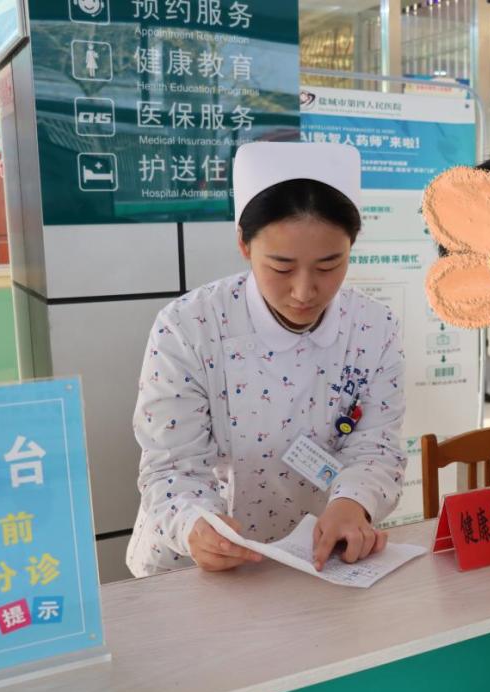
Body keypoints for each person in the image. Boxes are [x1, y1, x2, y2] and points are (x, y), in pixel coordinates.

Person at [126, 141, 407, 578]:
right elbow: (170, 466)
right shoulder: (188, 327)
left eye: (329, 265)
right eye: (281, 267)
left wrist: (353, 503)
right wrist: (194, 524)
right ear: (244, 244)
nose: (304, 291)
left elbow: (375, 446)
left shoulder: (373, 327)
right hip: (197, 563)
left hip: (316, 556)